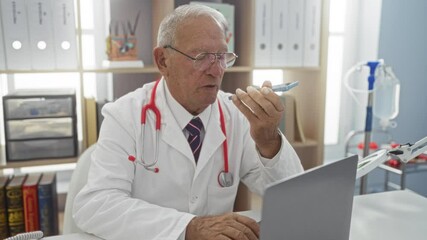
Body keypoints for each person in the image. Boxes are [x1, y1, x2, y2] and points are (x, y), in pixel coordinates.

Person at [73, 4, 303, 240]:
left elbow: (294, 197)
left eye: (221, 56)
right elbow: (95, 205)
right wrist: (189, 227)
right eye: (201, 57)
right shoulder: (125, 115)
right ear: (163, 60)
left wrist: (269, 142)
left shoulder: (237, 115)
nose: (216, 70)